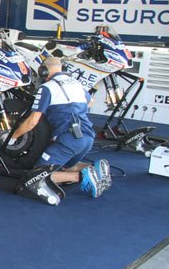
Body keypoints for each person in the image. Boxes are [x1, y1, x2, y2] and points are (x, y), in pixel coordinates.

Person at [7, 56, 111, 197]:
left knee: (36, 176)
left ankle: (81, 177)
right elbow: (90, 102)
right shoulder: (75, 83)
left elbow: (32, 121)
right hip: (87, 137)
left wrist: (13, 137)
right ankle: (95, 168)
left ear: (43, 71)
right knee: (67, 166)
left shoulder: (47, 88)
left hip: (69, 139)